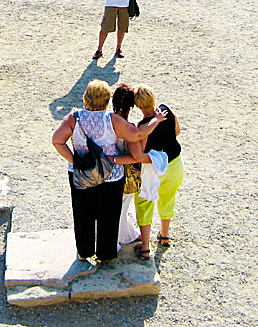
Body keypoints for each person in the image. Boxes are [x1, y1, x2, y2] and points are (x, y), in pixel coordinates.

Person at [52, 80, 166, 262]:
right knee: (108, 216)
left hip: (81, 174)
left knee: (82, 214)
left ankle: (84, 251)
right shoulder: (111, 120)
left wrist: (76, 160)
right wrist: (155, 121)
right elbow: (137, 134)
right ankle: (105, 254)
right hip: (110, 175)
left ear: (85, 98)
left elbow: (57, 140)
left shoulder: (74, 118)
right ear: (106, 100)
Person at [132, 84, 183, 261]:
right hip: (175, 163)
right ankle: (165, 234)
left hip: (153, 169)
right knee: (168, 198)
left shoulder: (143, 126)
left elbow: (142, 152)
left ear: (138, 106)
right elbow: (177, 131)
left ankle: (145, 247)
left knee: (144, 203)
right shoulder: (166, 110)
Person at [111, 84, 152, 249]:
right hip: (124, 173)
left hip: (106, 170)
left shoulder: (109, 121)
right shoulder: (131, 128)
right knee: (122, 207)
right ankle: (120, 238)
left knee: (117, 207)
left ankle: (128, 234)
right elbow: (137, 153)